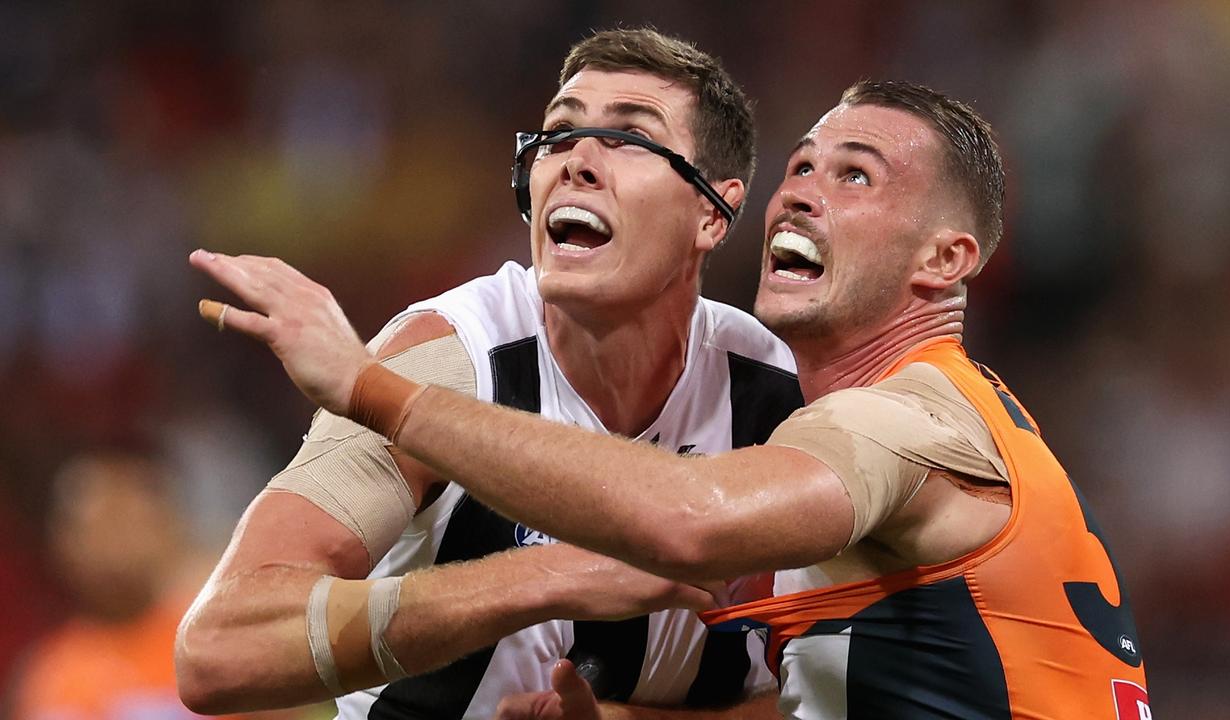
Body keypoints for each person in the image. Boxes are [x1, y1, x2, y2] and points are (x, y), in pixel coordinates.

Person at [192, 79, 1154, 718]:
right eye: (802, 167)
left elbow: (689, 521)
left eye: (855, 174)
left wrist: (371, 388)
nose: (803, 193)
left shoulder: (900, 420)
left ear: (947, 260)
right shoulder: (889, 425)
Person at [175, 28, 797, 720]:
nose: (576, 160)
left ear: (713, 211)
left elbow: (828, 690)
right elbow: (217, 652)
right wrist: (548, 575)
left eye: (629, 138)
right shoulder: (450, 356)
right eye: (558, 134)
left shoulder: (779, 397)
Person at [12, 452, 304, 720]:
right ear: (63, 543)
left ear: (170, 529)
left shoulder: (224, 646)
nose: (114, 547)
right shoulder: (46, 676)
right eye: (96, 527)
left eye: (129, 523)